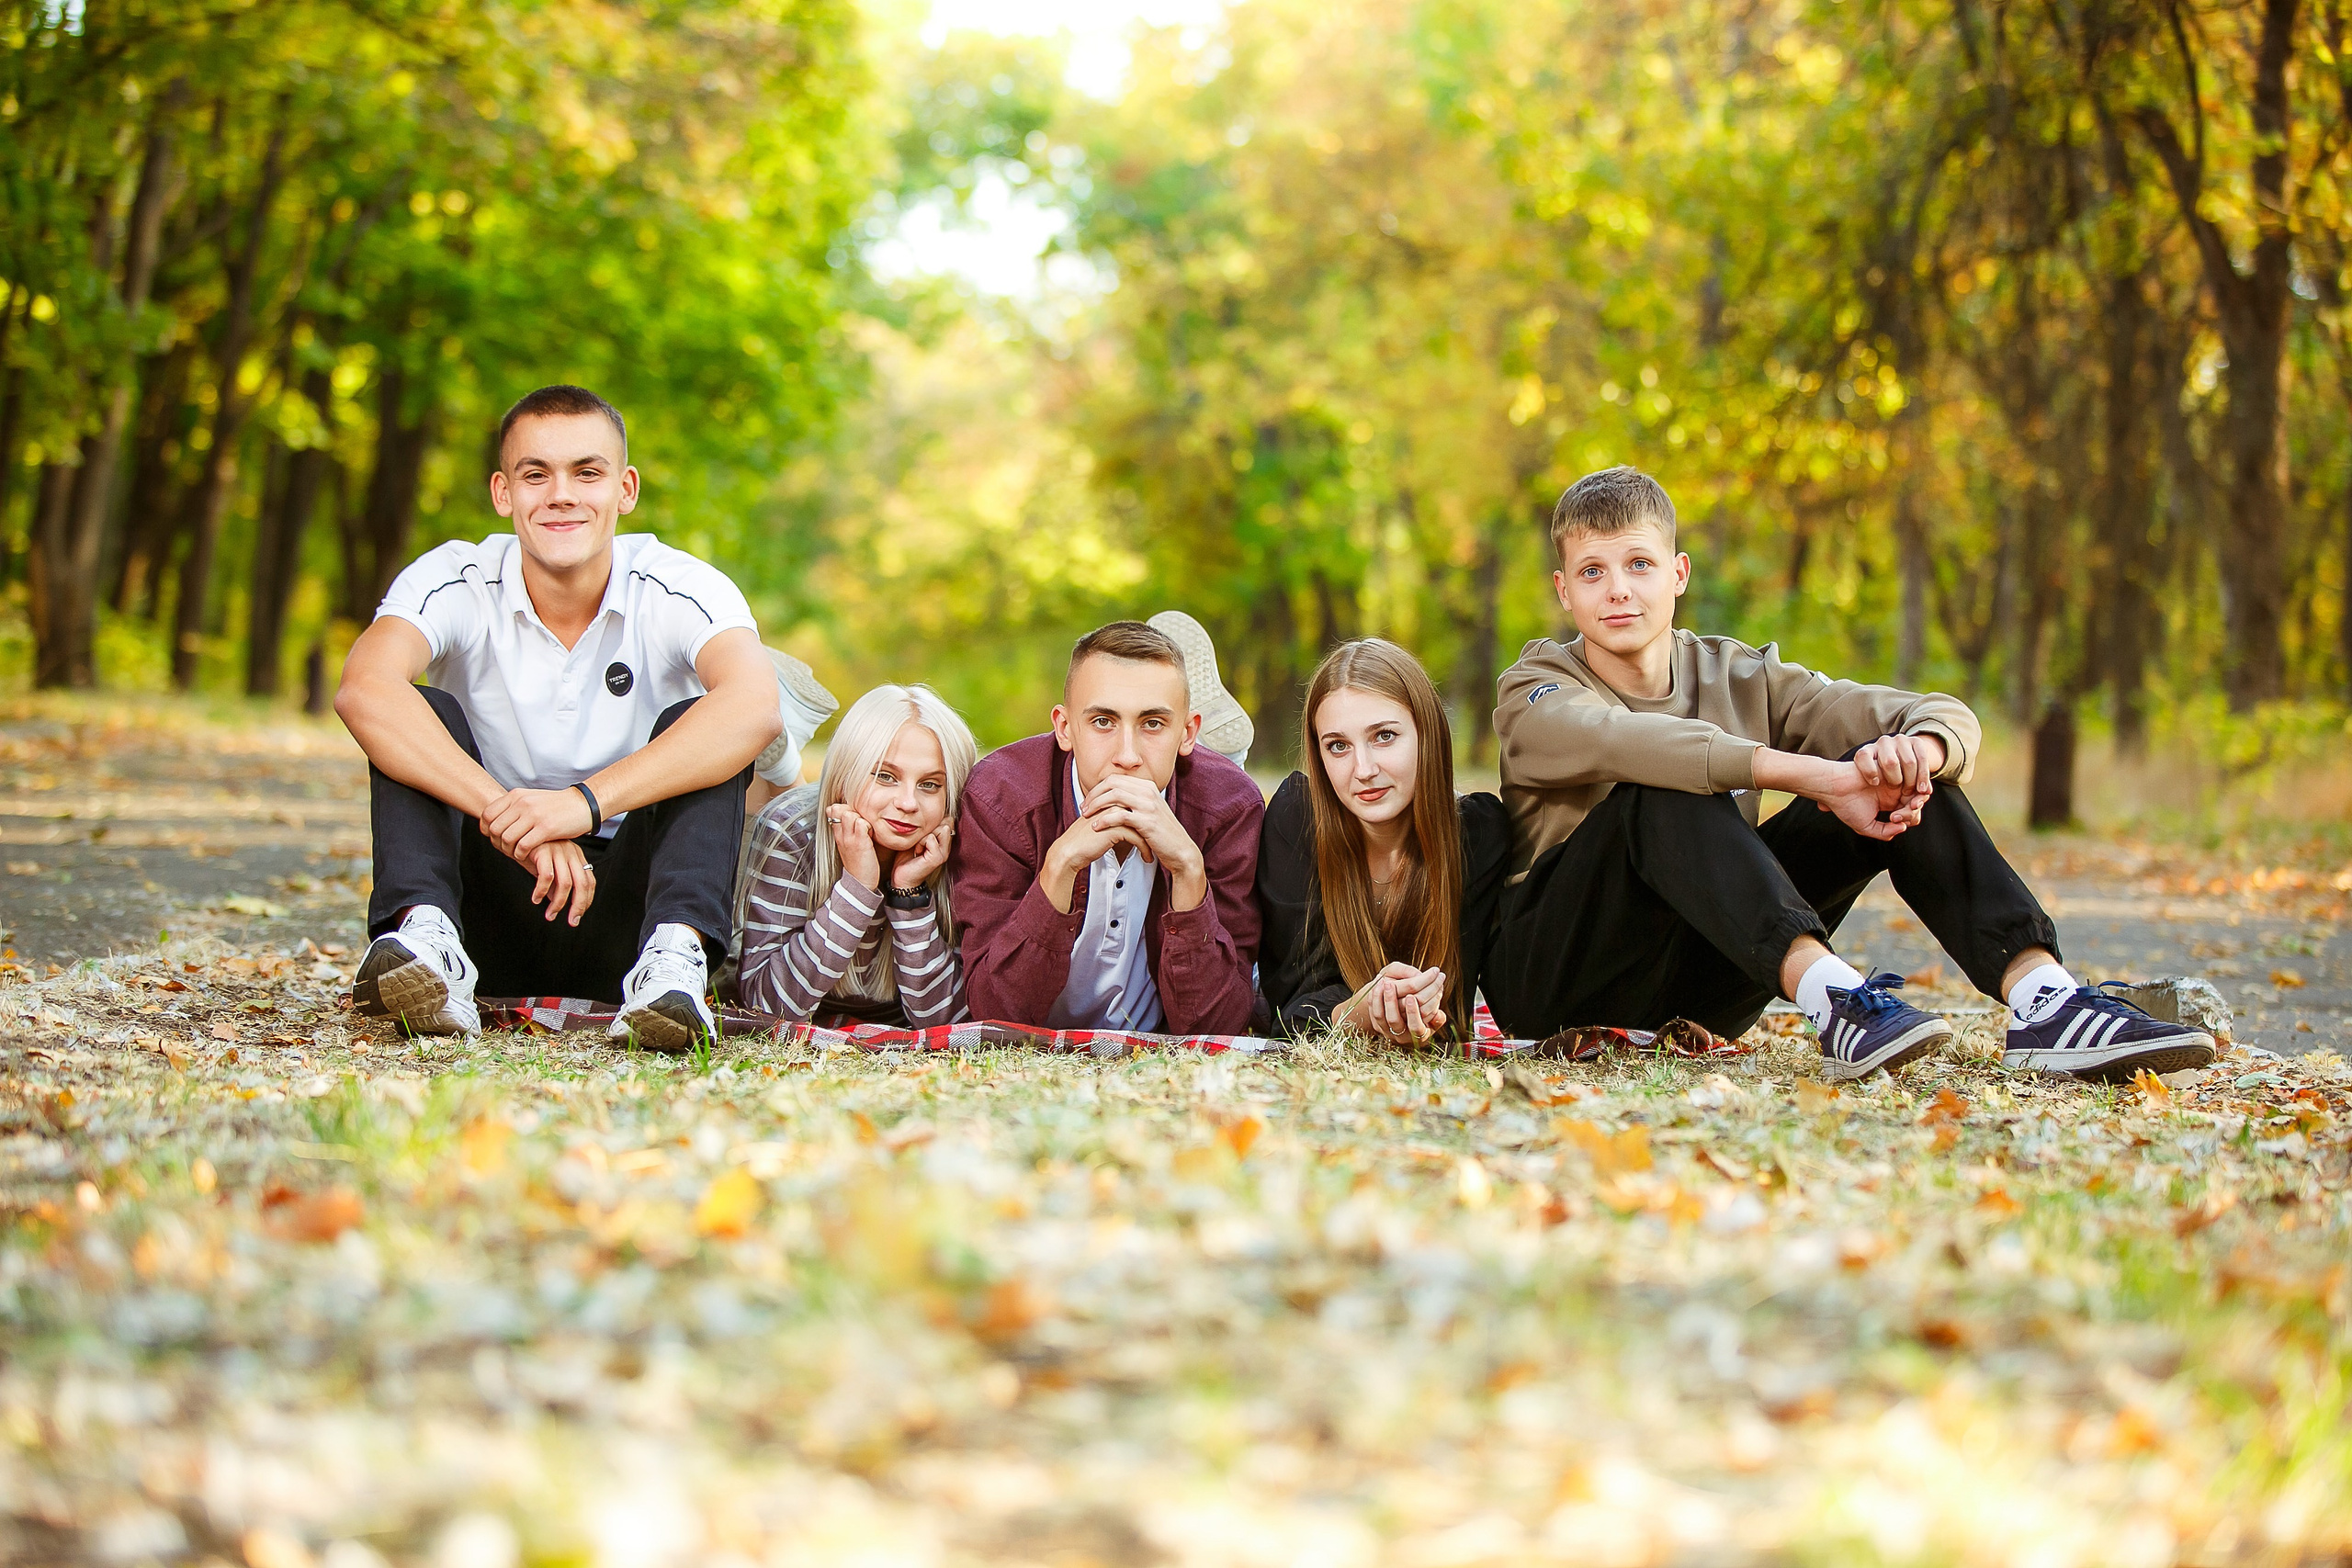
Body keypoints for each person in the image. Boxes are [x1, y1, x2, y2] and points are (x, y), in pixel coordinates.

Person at [1487, 465, 2216, 1082]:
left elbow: (1939, 712)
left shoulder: (1738, 673)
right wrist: (1816, 778)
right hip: (1558, 978)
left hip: (1699, 984)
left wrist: (1912, 758)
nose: (1618, 589)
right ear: (1564, 590)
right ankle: (1835, 999)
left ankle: (2044, 1000)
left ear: (1678, 573)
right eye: (1593, 571)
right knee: (1663, 785)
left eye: (1638, 564)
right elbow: (1631, 742)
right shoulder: (1535, 687)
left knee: (1894, 776)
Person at [335, 384, 782, 1053]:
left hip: (629, 919)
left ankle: (676, 965)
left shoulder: (681, 585)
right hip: (484, 910)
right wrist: (514, 817)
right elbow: (363, 688)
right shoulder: (455, 576)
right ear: (502, 492)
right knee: (419, 708)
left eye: (587, 472)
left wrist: (582, 805)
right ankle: (427, 944)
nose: (561, 493)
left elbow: (754, 706)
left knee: (704, 719)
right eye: (535, 473)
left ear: (625, 489)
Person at [951, 620, 1264, 1034]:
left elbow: (1215, 1027)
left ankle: (1225, 752)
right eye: (1103, 722)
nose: (1127, 755)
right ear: (1065, 728)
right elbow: (996, 1016)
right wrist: (1059, 865)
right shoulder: (1002, 798)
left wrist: (1189, 869)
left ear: (1188, 732)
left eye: (1153, 723)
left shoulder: (1231, 808)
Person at [1257, 639, 1510, 1043]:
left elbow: (1455, 1013)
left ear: (1427, 735)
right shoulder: (1298, 819)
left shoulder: (1478, 834)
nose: (1363, 769)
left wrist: (1413, 1004)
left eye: (1384, 736)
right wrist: (1362, 1011)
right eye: (1338, 746)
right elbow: (1289, 1015)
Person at [736, 684, 977, 1028]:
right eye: (885, 776)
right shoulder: (792, 832)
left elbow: (947, 1021)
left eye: (930, 785)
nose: (908, 803)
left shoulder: (955, 846)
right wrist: (858, 887)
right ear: (844, 775)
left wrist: (909, 894)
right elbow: (768, 1008)